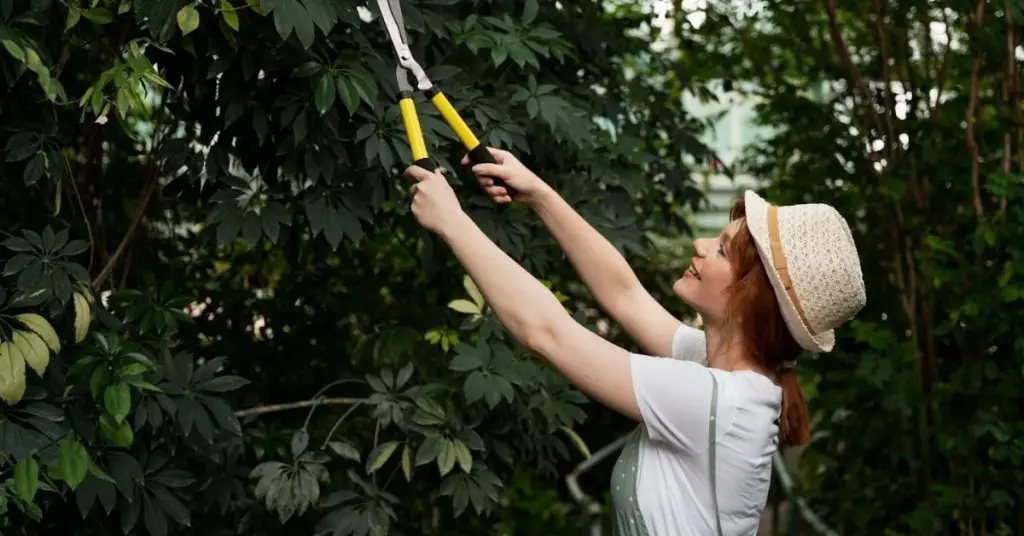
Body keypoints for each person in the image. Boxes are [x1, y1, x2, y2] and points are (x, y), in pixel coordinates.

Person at [402, 148, 866, 536]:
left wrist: (453, 223)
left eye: (722, 249)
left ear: (752, 299)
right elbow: (624, 295)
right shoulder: (718, 373)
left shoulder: (719, 403)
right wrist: (540, 194)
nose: (701, 244)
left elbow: (547, 333)